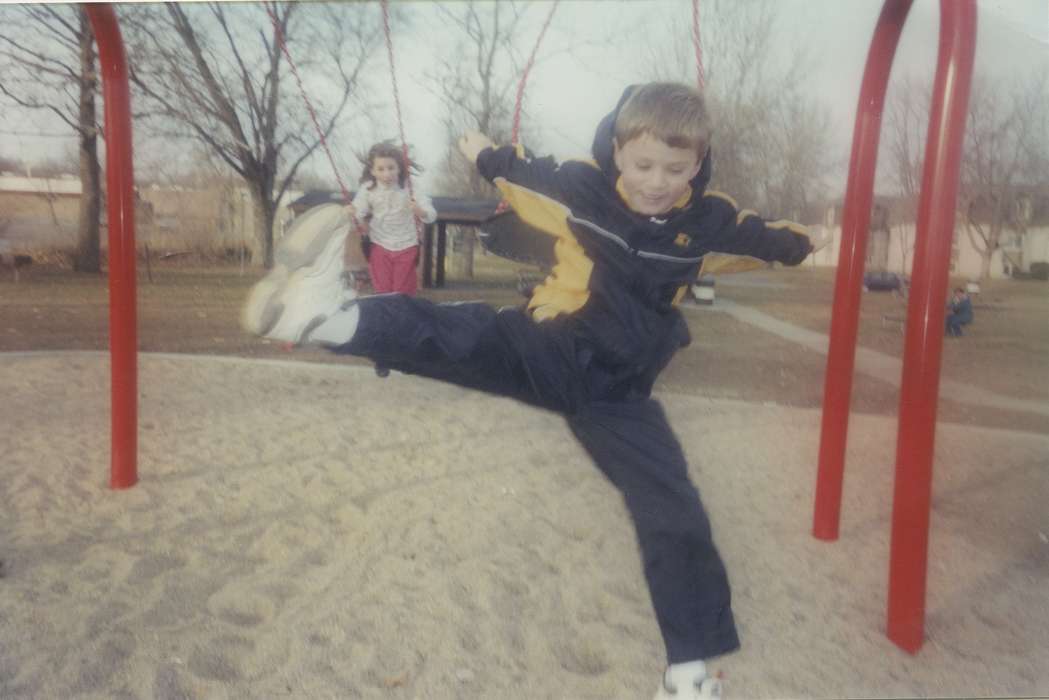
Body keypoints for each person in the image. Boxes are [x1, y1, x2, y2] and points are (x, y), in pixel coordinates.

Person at [242, 82, 829, 700]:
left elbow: (767, 238)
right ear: (618, 153)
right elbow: (521, 174)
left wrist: (804, 241)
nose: (657, 181)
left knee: (674, 508)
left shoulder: (706, 223)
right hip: (555, 345)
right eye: (644, 165)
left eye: (677, 169)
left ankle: (688, 674)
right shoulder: (584, 190)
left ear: (699, 163)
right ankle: (326, 318)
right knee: (460, 335)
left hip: (618, 394)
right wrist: (483, 151)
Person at [345, 141, 437, 295]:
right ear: (372, 171)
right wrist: (351, 215)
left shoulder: (410, 187)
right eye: (380, 169)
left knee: (402, 292)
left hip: (406, 245)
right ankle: (386, 317)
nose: (387, 174)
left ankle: (404, 316)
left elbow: (431, 215)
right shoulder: (368, 189)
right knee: (383, 291)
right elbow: (357, 217)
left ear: (399, 168)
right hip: (379, 245)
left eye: (391, 168)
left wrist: (420, 211)